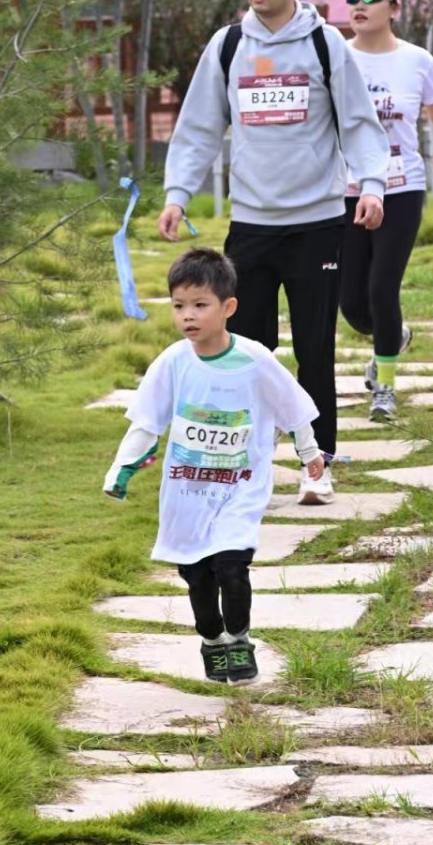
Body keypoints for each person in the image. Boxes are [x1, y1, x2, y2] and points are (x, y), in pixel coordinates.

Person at [157, 0, 390, 504]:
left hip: (317, 224)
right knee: (246, 352)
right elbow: (198, 127)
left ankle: (318, 467)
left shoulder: (325, 45)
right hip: (252, 227)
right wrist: (177, 193)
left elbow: (359, 122)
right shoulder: (229, 45)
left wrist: (373, 185)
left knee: (315, 351)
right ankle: (248, 467)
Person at [103, 248, 324, 684]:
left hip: (240, 487)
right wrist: (121, 470)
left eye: (200, 305)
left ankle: (239, 640)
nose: (188, 316)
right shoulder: (172, 363)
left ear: (228, 308)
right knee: (198, 579)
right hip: (187, 494)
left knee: (231, 566)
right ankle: (211, 640)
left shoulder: (255, 359)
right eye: (179, 305)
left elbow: (293, 406)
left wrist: (309, 451)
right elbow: (146, 421)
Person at [337, 0, 433, 422]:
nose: (358, 4)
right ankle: (394, 336)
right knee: (351, 301)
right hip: (345, 190)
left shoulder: (416, 60)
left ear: (395, 8)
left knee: (382, 287)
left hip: (401, 187)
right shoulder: (335, 56)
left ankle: (384, 387)